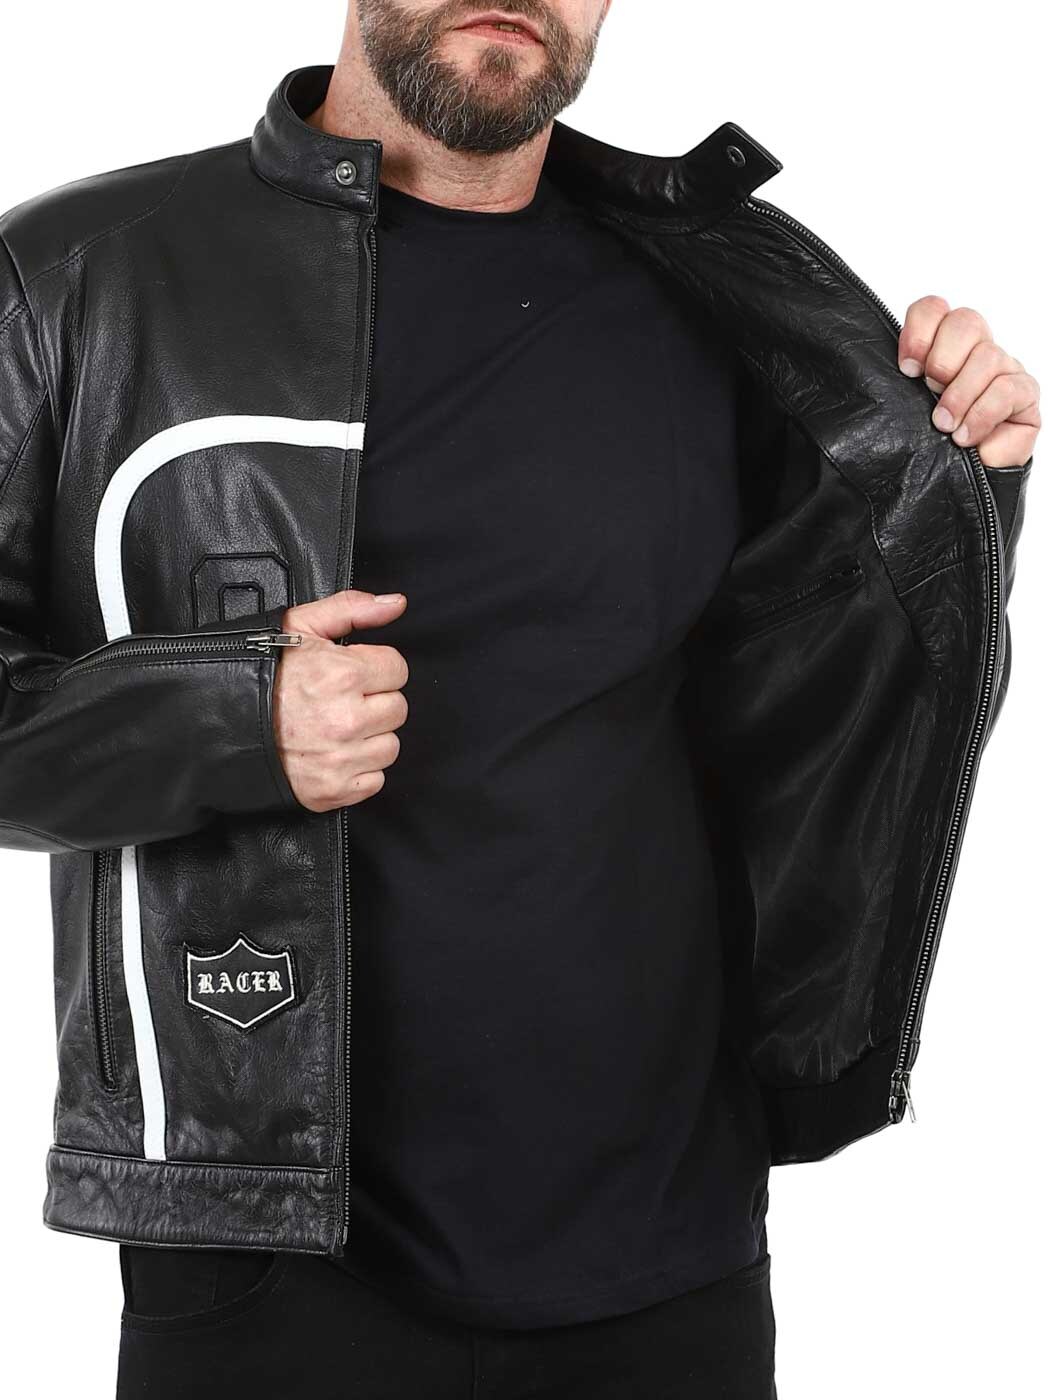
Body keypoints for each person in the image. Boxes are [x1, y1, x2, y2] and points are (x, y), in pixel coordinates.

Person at [0, 3, 1038, 1397]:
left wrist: (953, 484)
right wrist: (231, 720)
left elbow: (817, 700)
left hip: (671, 1243)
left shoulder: (721, 291)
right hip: (274, 1249)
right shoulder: (81, 278)